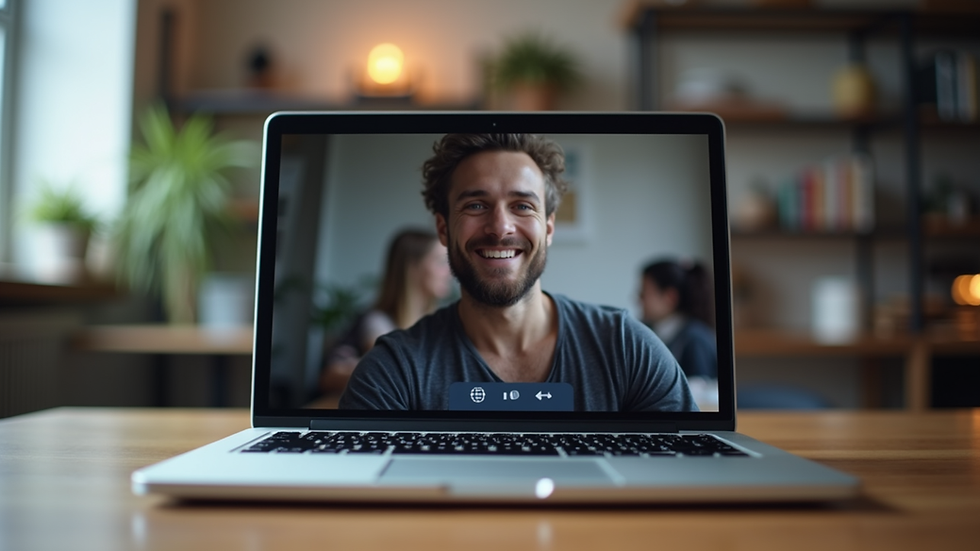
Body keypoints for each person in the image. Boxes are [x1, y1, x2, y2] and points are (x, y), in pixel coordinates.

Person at [340, 133, 696, 412]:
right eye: (476, 205)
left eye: (522, 205)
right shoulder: (393, 369)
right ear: (444, 229)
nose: (500, 227)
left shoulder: (627, 348)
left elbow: (690, 477)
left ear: (549, 228)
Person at [318, 229, 451, 394]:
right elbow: (392, 373)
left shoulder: (439, 324)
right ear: (412, 267)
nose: (449, 272)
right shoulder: (376, 322)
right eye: (441, 262)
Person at [639, 259, 717, 381]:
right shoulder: (646, 331)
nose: (639, 298)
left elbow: (701, 392)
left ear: (670, 297)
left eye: (644, 292)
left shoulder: (695, 339)